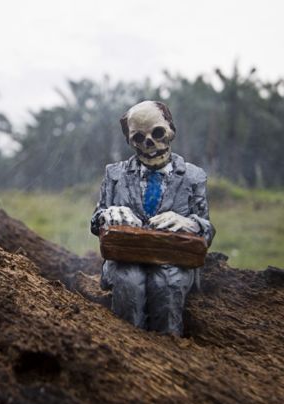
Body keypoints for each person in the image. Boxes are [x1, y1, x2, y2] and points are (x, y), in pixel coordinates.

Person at [90, 100, 215, 335]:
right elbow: (96, 220)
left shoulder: (193, 177)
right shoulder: (114, 175)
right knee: (129, 282)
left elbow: (207, 229)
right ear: (129, 141)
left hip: (174, 258)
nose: (149, 144)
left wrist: (189, 223)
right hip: (126, 257)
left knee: (167, 284)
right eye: (138, 137)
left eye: (157, 133)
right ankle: (129, 347)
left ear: (171, 130)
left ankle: (168, 353)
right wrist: (107, 215)